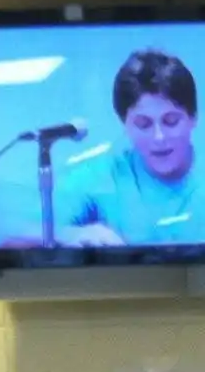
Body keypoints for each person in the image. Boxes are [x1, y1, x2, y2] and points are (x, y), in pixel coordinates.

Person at [50, 48, 203, 248]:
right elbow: (24, 232)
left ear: (193, 118)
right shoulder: (103, 176)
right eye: (143, 124)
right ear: (126, 125)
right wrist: (72, 234)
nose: (159, 137)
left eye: (171, 121)